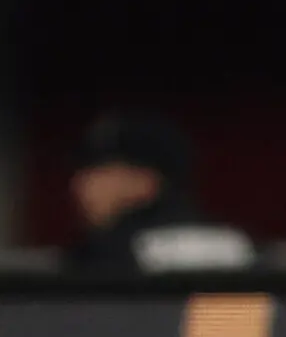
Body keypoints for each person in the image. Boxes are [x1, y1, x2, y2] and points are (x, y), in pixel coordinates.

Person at [66, 114, 254, 274]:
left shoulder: (109, 255)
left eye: (98, 172)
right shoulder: (236, 242)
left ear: (144, 181)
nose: (79, 185)